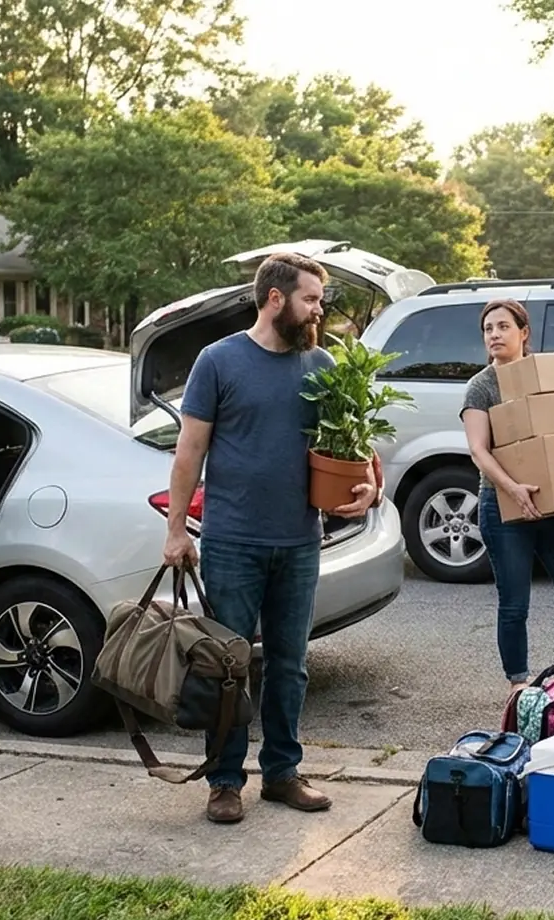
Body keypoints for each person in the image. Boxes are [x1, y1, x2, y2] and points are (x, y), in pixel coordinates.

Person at [163, 252, 380, 824]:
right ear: (276, 298)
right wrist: (176, 529)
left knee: (290, 664)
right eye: (311, 298)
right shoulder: (219, 361)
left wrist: (371, 486)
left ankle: (283, 773)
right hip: (233, 540)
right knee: (229, 665)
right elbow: (189, 451)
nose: (319, 309)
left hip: (300, 540)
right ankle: (225, 781)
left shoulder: (323, 364)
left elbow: (357, 442)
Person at [460, 298, 554, 694]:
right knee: (515, 604)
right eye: (488, 329)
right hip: (502, 506)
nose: (495, 335)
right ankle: (518, 687)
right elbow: (478, 450)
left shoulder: (545, 377)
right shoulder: (482, 386)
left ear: (524, 333)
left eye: (503, 327)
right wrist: (513, 489)